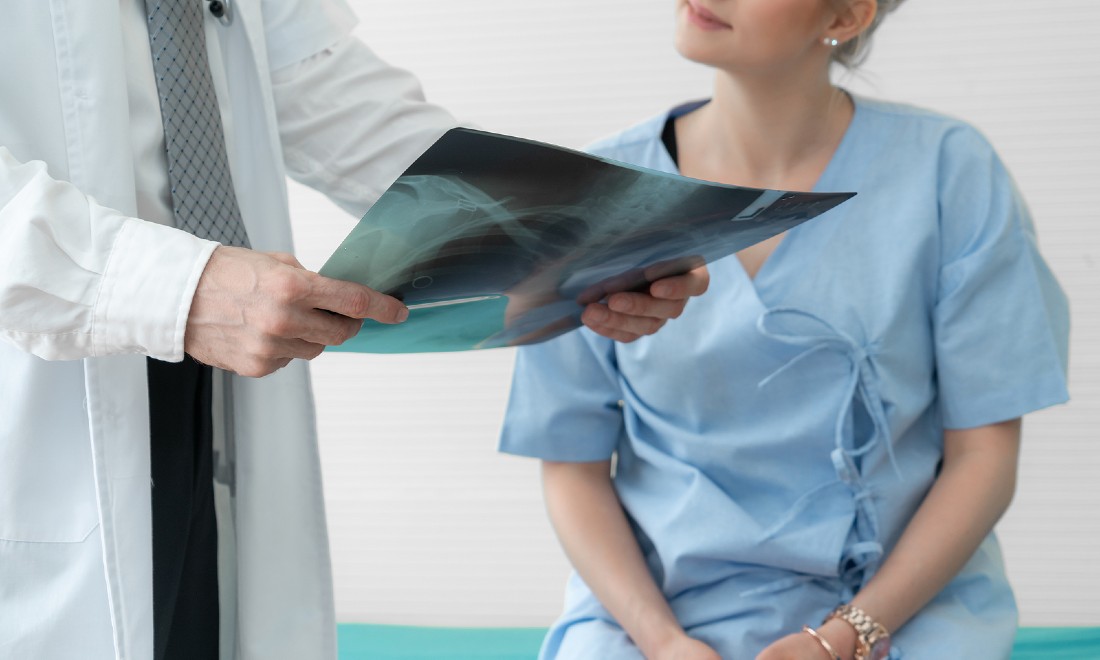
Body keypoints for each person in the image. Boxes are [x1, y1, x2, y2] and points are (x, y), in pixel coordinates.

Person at [0, 2, 709, 659]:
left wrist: (588, 241)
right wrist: (172, 287)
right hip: (54, 400)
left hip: (210, 407)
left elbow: (350, 110)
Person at [498, 1, 1070, 658]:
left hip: (898, 608)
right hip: (652, 613)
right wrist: (664, 643)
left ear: (848, 15)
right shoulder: (594, 193)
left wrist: (848, 636)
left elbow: (985, 456)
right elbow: (572, 466)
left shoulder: (951, 172)